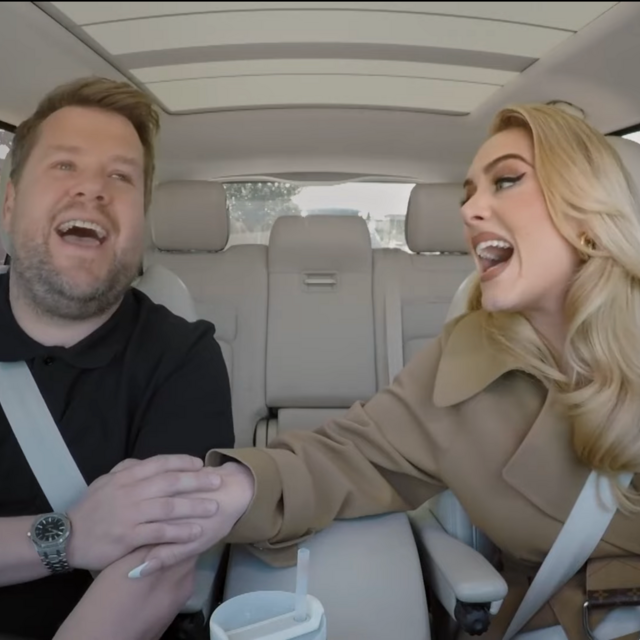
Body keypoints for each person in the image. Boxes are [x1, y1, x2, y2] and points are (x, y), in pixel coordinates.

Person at [136, 103, 640, 640]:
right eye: (467, 195)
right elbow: (351, 456)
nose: (471, 211)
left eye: (507, 181)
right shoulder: (467, 359)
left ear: (587, 210)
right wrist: (234, 487)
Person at [0, 76, 238, 640]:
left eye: (121, 176)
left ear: (142, 222)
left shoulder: (183, 357)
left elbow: (156, 572)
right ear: (9, 203)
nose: (93, 189)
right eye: (64, 165)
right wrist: (69, 537)